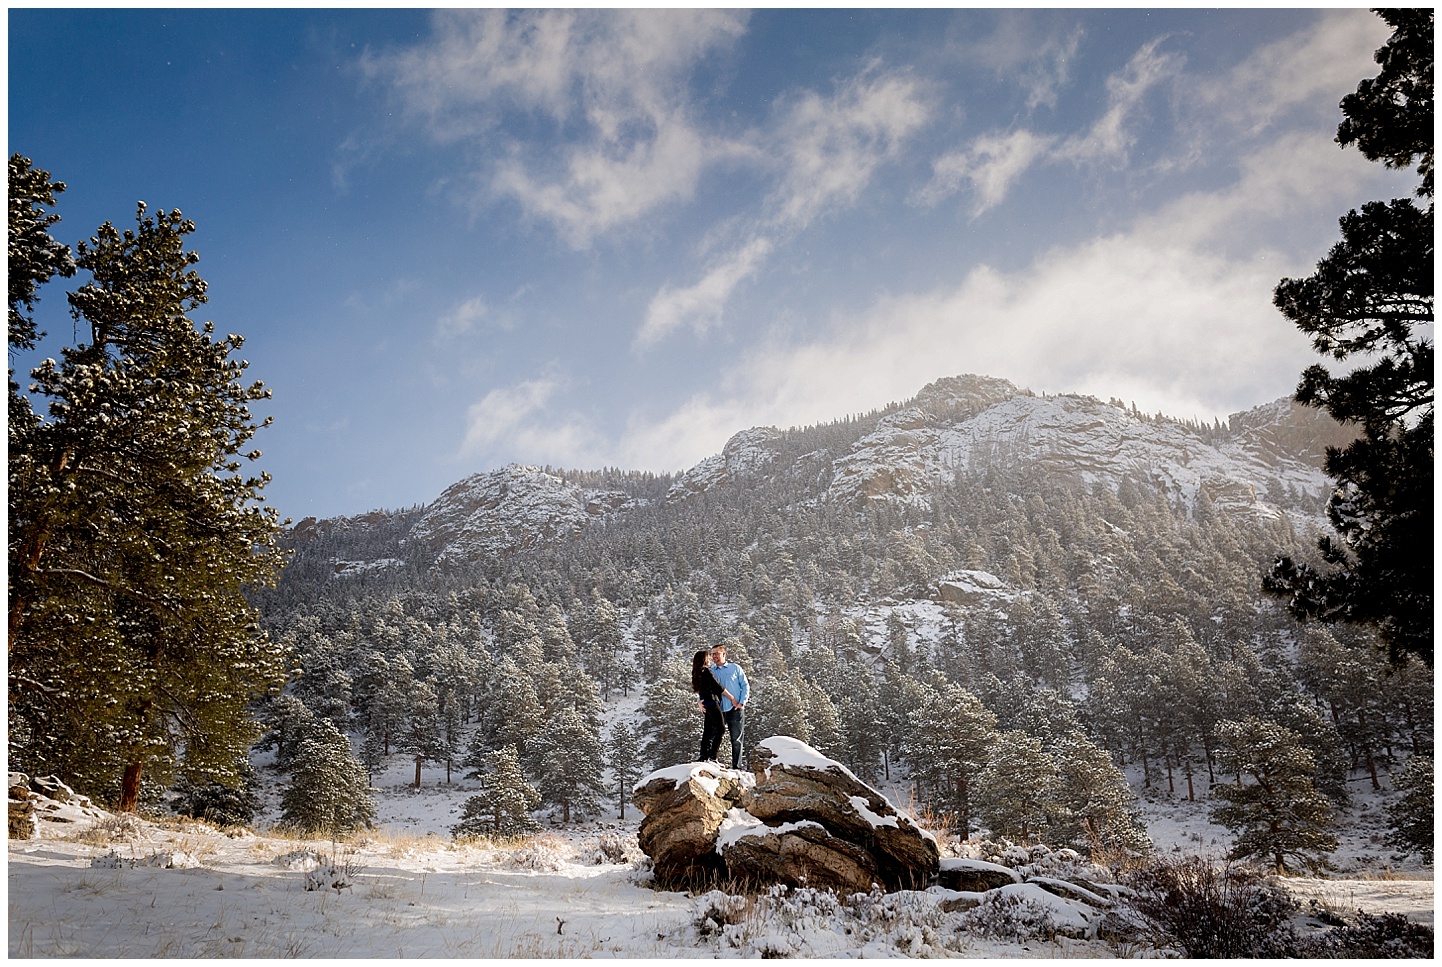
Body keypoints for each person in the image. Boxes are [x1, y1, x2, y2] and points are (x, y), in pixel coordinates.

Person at [707, 644, 749, 769]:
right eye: (712, 654)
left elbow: (745, 686)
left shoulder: (735, 668)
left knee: (736, 740)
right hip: (717, 710)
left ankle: (737, 767)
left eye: (717, 653)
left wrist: (742, 702)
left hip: (735, 710)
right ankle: (711, 763)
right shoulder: (710, 671)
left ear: (724, 654)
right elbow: (704, 688)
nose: (714, 656)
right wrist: (701, 702)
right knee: (713, 738)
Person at [691, 650, 726, 762]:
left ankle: (704, 755)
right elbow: (718, 687)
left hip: (706, 702)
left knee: (708, 730)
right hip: (712, 702)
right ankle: (712, 756)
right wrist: (731, 697)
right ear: (704, 660)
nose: (710, 659)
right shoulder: (706, 671)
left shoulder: (696, 673)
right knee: (720, 728)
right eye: (708, 657)